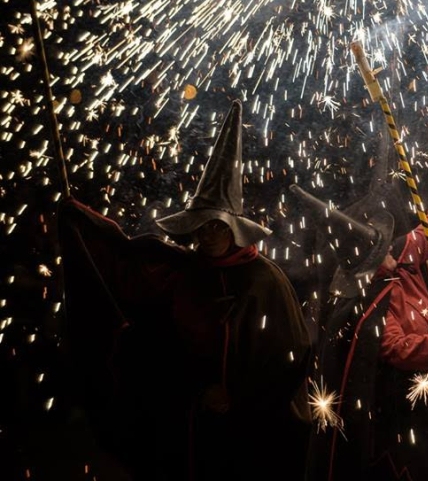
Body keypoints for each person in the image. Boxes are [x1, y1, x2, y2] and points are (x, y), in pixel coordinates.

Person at [58, 100, 312, 480]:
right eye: (203, 226)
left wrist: (235, 396)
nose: (209, 236)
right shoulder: (185, 270)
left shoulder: (265, 281)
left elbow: (291, 359)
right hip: (190, 421)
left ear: (235, 229)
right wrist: (80, 219)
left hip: (249, 428)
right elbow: (127, 262)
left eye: (218, 226)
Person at [298, 152, 428, 481]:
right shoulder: (367, 306)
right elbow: (399, 349)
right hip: (401, 410)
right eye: (380, 251)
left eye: (384, 245)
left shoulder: (401, 254)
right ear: (367, 267)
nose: (390, 250)